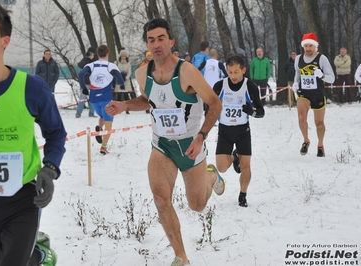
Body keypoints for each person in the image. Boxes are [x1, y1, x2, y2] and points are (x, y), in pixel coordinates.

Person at [105, 18, 225, 266]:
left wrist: (201, 136)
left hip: (191, 145)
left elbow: (214, 103)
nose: (156, 44)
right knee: (161, 200)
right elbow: (148, 100)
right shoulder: (142, 72)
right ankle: (181, 256)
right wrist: (125, 104)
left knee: (197, 205)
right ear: (147, 44)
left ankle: (211, 176)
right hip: (162, 146)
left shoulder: (187, 71)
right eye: (151, 40)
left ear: (171, 41)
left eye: (161, 39)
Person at [0, 2, 66, 266]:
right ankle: (37, 254)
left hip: (23, 195)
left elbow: (55, 133)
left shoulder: (31, 88)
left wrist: (50, 169)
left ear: (4, 40)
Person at [211, 55, 264, 208]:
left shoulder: (250, 86)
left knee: (246, 167)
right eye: (230, 72)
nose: (233, 76)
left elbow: (261, 111)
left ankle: (242, 195)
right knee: (221, 167)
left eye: (236, 72)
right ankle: (235, 157)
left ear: (243, 70)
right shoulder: (219, 86)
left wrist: (252, 111)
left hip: (242, 131)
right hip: (225, 131)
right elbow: (210, 107)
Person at [291, 32, 335, 157]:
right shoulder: (298, 58)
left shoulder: (321, 58)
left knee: (319, 123)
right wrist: (295, 84)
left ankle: (320, 145)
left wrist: (322, 76)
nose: (308, 49)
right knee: (301, 117)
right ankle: (306, 140)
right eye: (306, 46)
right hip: (303, 93)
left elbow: (332, 78)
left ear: (315, 46)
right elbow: (297, 74)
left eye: (311, 46)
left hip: (318, 94)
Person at [78, 44, 125, 155]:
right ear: (108, 53)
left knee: (102, 116)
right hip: (106, 99)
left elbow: (80, 74)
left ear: (97, 54)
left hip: (93, 100)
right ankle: (104, 147)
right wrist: (116, 82)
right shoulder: (111, 66)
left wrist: (84, 88)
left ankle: (99, 128)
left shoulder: (91, 65)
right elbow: (121, 81)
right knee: (108, 123)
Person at [75, 47, 96, 118]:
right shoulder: (85, 60)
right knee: (82, 99)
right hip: (85, 82)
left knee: (92, 99)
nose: (93, 55)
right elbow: (80, 64)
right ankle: (78, 113)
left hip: (92, 82)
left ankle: (91, 113)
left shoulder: (94, 61)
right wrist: (87, 58)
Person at [115, 49, 135, 114]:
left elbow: (129, 71)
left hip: (126, 81)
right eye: (122, 56)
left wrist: (126, 77)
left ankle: (127, 109)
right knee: (119, 95)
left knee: (126, 95)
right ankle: (117, 109)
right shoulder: (116, 62)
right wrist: (119, 77)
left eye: (124, 56)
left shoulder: (128, 63)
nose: (123, 57)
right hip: (119, 80)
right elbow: (115, 70)